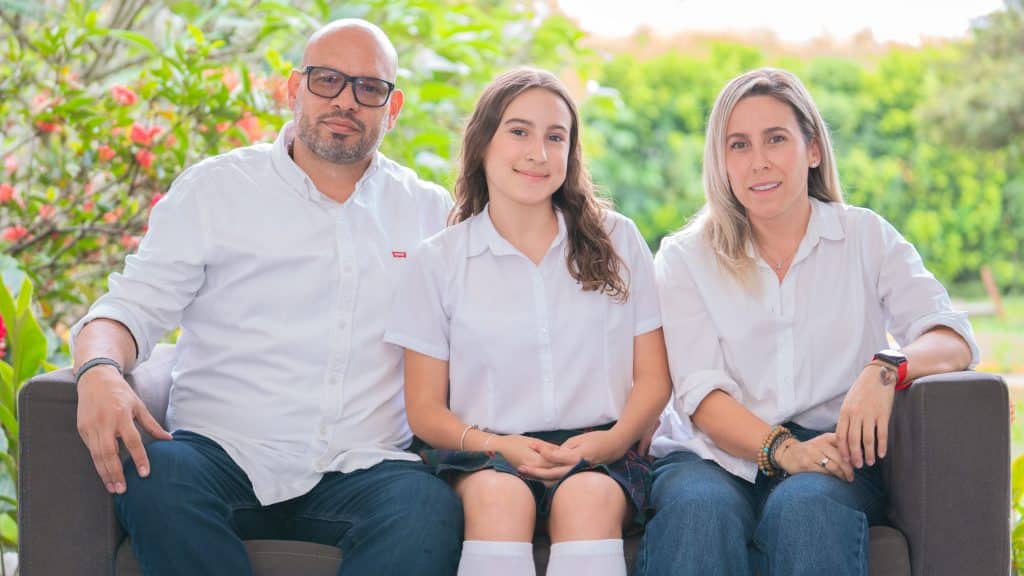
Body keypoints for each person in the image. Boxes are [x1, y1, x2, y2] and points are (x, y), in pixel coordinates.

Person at [71, 19, 462, 576]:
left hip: (367, 467)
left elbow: (472, 334)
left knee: (428, 508)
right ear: (293, 88)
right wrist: (99, 369)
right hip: (220, 454)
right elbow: (129, 308)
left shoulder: (426, 210)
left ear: (392, 108)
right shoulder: (215, 190)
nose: (346, 101)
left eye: (368, 88)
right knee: (158, 476)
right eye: (327, 80)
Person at [637, 67, 978, 576]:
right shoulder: (685, 259)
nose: (758, 161)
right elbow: (702, 397)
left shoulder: (865, 236)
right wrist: (783, 450)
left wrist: (886, 368)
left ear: (813, 149)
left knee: (806, 511)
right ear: (722, 163)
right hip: (709, 456)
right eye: (738, 145)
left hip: (831, 453)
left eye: (776, 139)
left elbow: (951, 336)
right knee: (699, 512)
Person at [383, 68, 671, 576]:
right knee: (499, 498)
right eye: (519, 131)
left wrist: (613, 440)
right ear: (483, 143)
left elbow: (654, 377)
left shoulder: (619, 240)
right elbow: (424, 410)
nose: (538, 153)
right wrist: (499, 446)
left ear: (571, 151)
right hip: (485, 450)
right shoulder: (439, 260)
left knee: (586, 499)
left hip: (601, 447)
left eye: (555, 137)